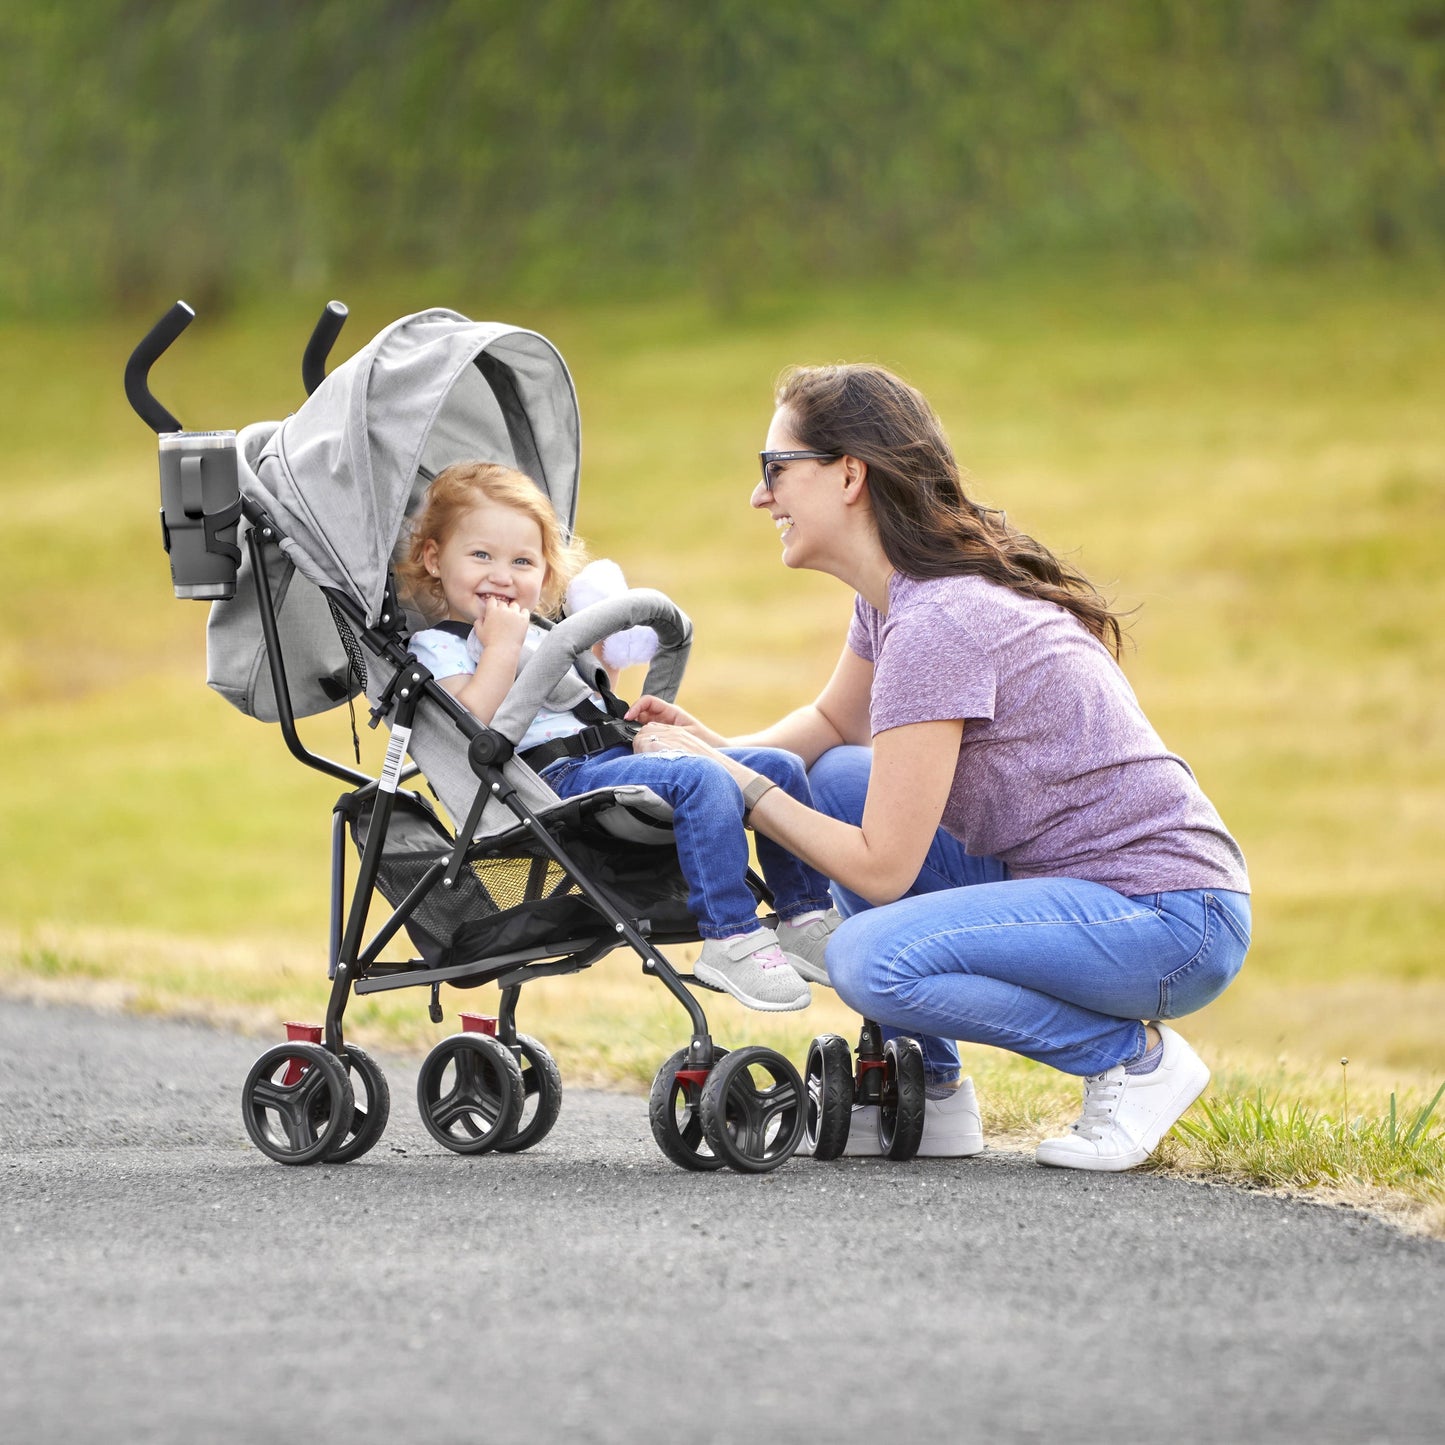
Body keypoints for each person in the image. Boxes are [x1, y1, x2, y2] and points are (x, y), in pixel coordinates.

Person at [625, 364, 1251, 1170]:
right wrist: (708, 754)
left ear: (848, 473)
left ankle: (1133, 1061)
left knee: (867, 959)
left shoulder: (938, 623)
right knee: (841, 779)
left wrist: (745, 791)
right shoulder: (897, 601)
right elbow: (827, 726)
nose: (760, 496)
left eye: (774, 468)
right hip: (1099, 893)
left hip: (1170, 921)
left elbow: (882, 870)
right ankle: (938, 1093)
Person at [396, 459, 841, 1012]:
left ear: (546, 571)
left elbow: (574, 700)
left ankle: (803, 914)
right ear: (435, 559)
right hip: (551, 777)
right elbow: (471, 726)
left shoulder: (541, 631)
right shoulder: (440, 645)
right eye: (481, 555)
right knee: (702, 780)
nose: (502, 575)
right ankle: (730, 936)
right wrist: (500, 649)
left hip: (611, 750)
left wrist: (628, 715)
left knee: (778, 768)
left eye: (522, 561)